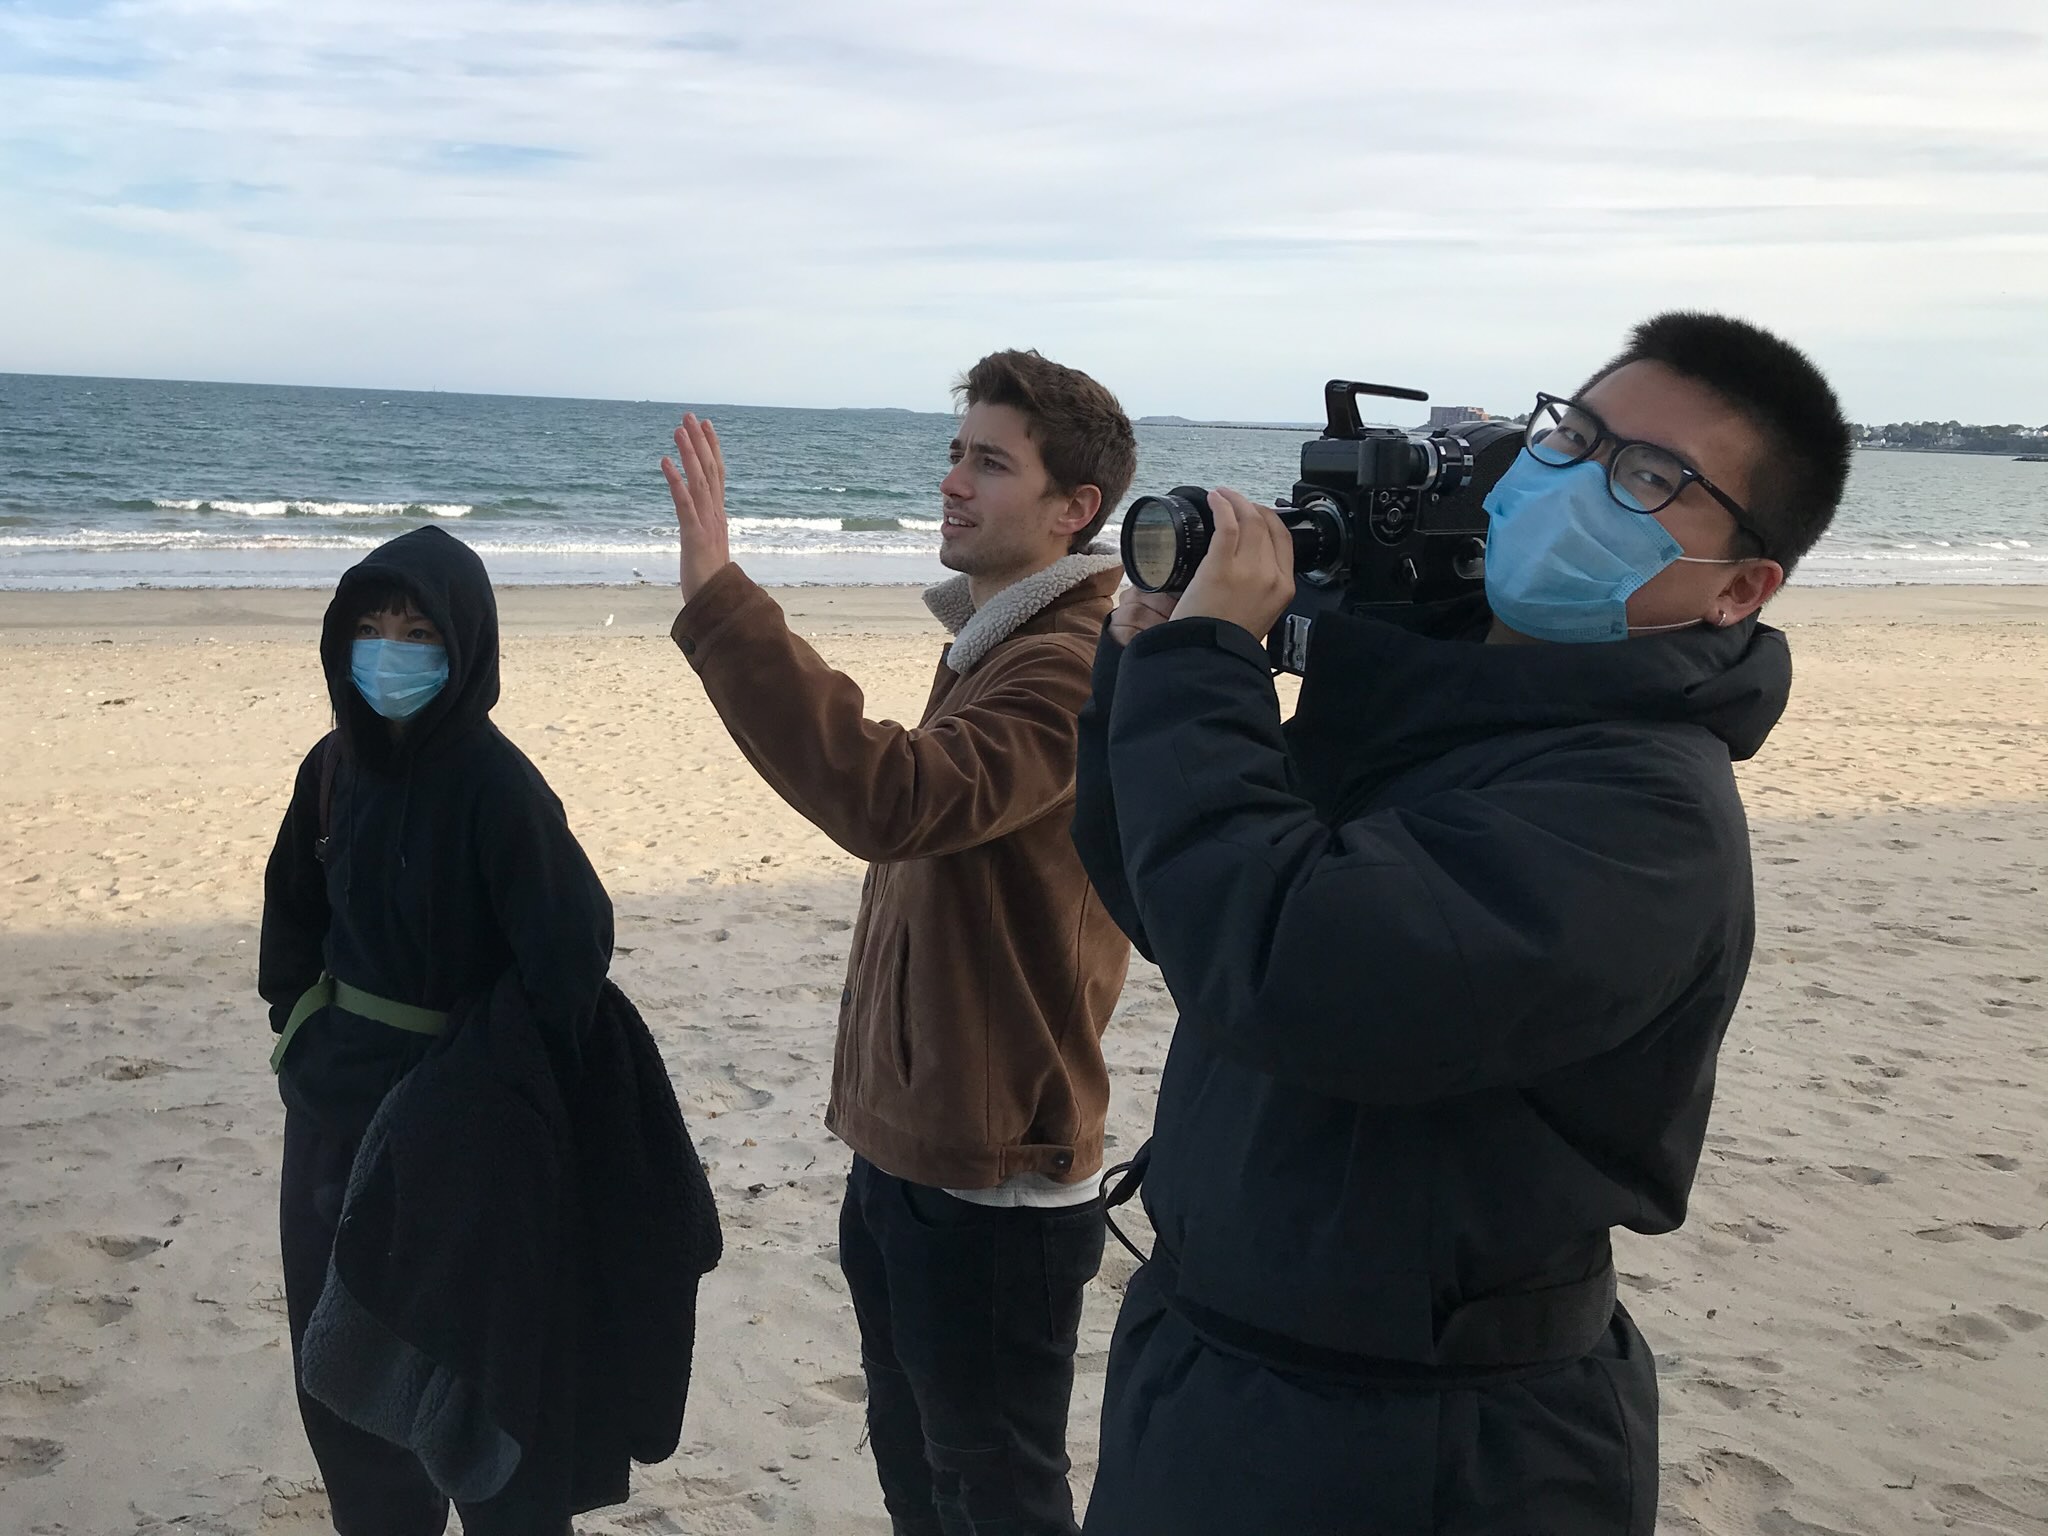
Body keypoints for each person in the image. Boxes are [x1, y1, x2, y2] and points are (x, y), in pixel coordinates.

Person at [1072, 312, 1853, 1534]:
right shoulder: (1433, 703)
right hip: (1213, 1365)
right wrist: (1145, 659)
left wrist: (1209, 667)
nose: (1577, 481)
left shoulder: (1643, 815)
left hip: (1421, 1440)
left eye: (1646, 478)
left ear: (1739, 589)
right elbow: (1186, 912)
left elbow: (1293, 972)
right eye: (1574, 435)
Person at [660, 350, 1138, 1536]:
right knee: (919, 1473)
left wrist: (721, 594)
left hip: (995, 1181)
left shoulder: (1070, 662)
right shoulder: (996, 640)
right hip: (910, 1152)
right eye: (952, 453)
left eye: (989, 461)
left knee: (996, 1492)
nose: (952, 482)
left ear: (1075, 509)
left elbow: (896, 797)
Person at [259, 525, 617, 1535]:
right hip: (333, 1131)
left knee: (483, 1387)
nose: (389, 650)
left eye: (417, 630)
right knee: (342, 1373)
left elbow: (570, 955)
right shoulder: (331, 769)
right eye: (369, 627)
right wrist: (306, 1037)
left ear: (464, 644)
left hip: (463, 1141)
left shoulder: (499, 789)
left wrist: (481, 1087)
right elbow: (289, 930)